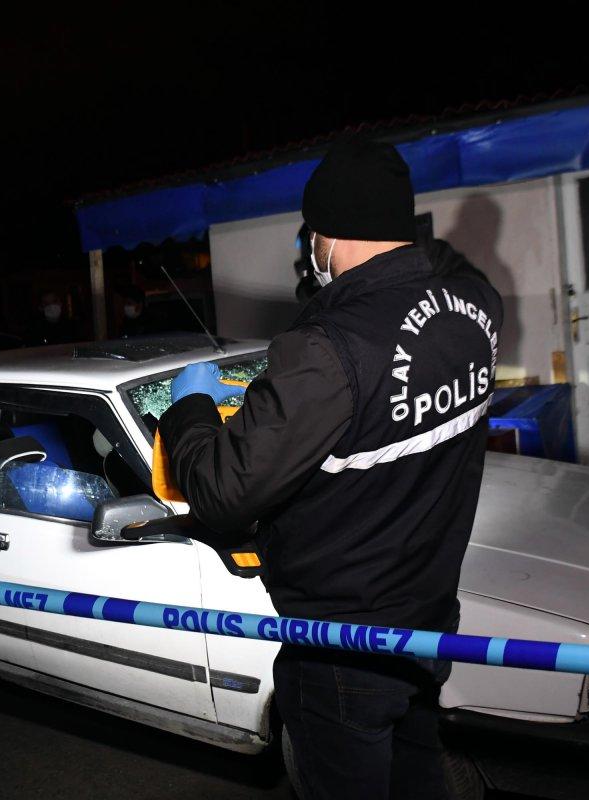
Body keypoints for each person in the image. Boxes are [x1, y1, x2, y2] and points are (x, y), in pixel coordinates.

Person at [158, 139, 503, 799]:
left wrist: (191, 410)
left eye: (310, 234)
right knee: (417, 780)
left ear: (326, 234)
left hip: (341, 643)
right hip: (426, 618)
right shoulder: (478, 309)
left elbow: (222, 491)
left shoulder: (329, 351)